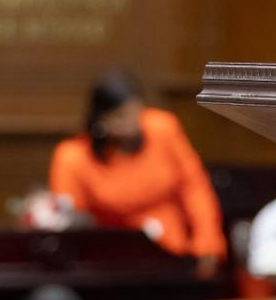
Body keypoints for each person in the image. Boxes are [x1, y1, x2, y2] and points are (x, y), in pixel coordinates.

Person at [49, 70, 227, 267]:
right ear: (100, 118)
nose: (132, 125)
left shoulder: (163, 128)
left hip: (170, 252)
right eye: (120, 117)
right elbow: (70, 220)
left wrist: (207, 241)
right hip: (108, 259)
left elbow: (194, 186)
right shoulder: (72, 156)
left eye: (137, 113)